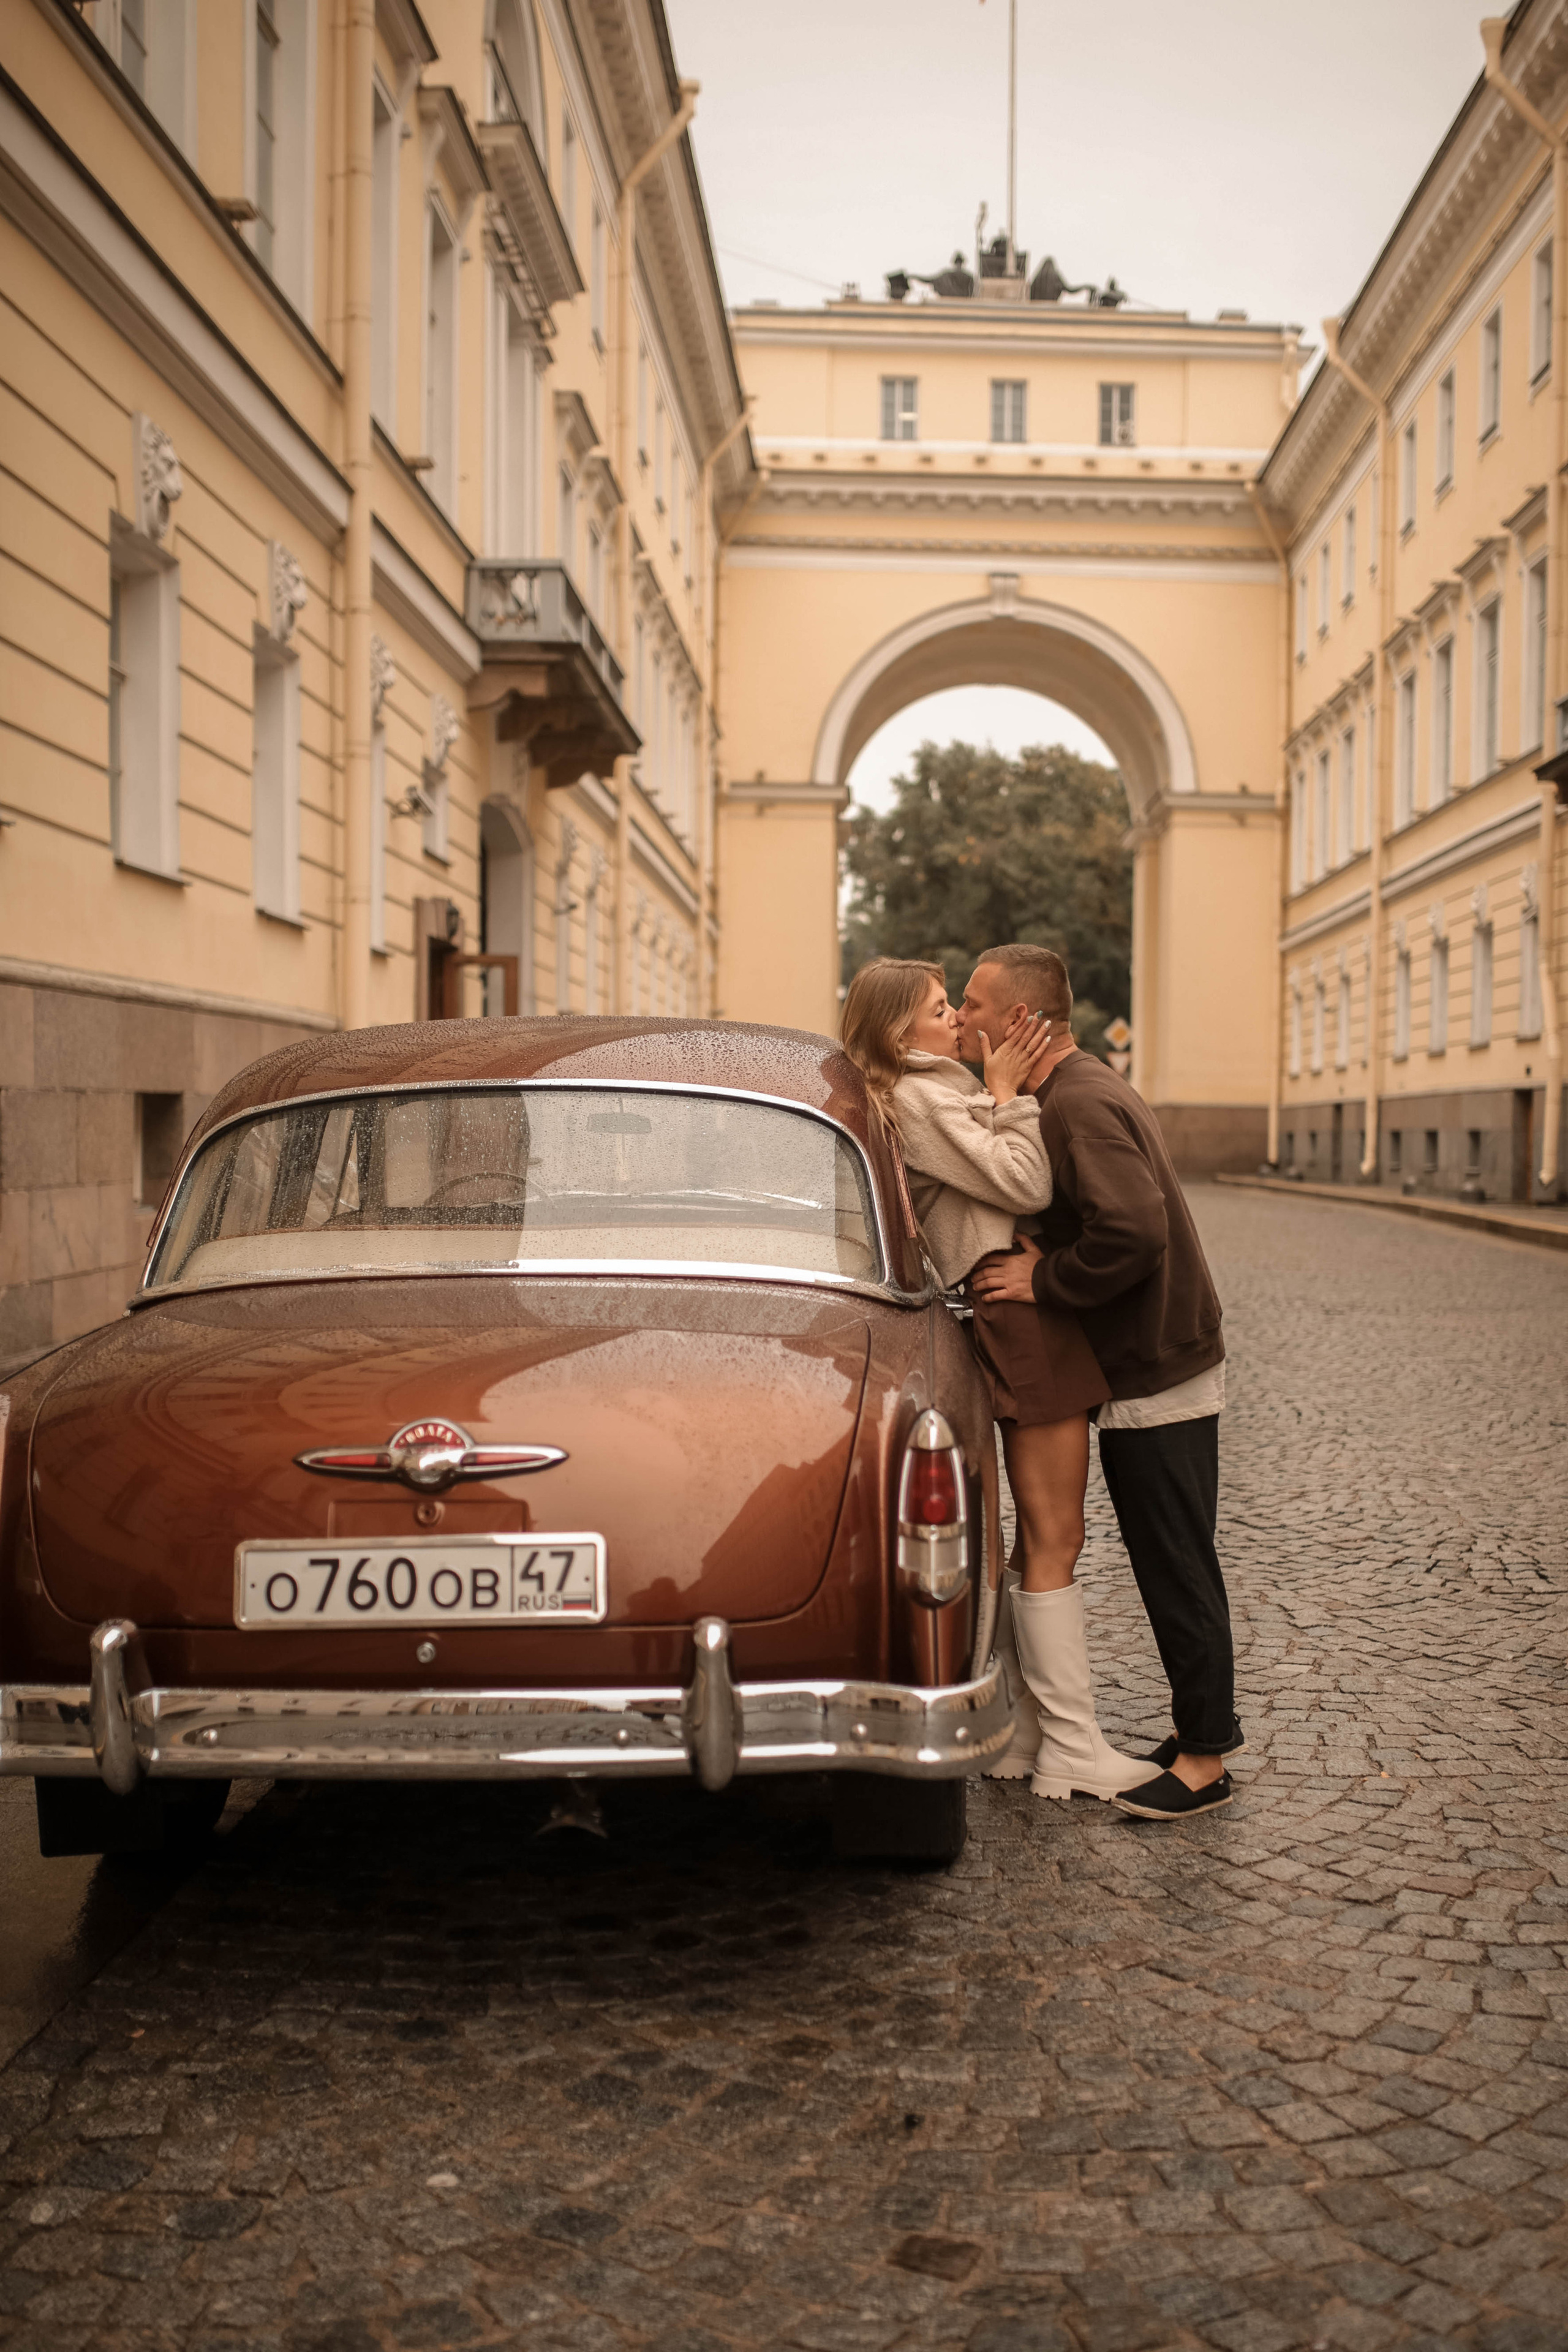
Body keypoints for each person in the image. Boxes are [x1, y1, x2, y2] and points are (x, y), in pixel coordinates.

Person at [839, 957, 1156, 1803]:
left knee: (1032, 1539)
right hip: (1018, 1316)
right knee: (1059, 1535)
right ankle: (1076, 1750)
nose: (957, 1020)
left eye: (956, 1006)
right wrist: (1007, 1092)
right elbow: (1024, 1179)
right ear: (897, 1029)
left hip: (1004, 1314)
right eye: (941, 1009)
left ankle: (1023, 1733)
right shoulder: (919, 1093)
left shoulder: (923, 1087)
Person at [966, 945, 1242, 1822]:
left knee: (1176, 1561)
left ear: (1019, 1021)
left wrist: (1044, 1281)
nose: (966, 1018)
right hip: (1152, 1355)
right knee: (1174, 1553)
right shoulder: (1078, 1086)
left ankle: (1205, 1759)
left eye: (974, 1004)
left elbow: (1134, 1232)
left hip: (1158, 1361)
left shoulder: (1078, 1101)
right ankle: (1197, 1729)